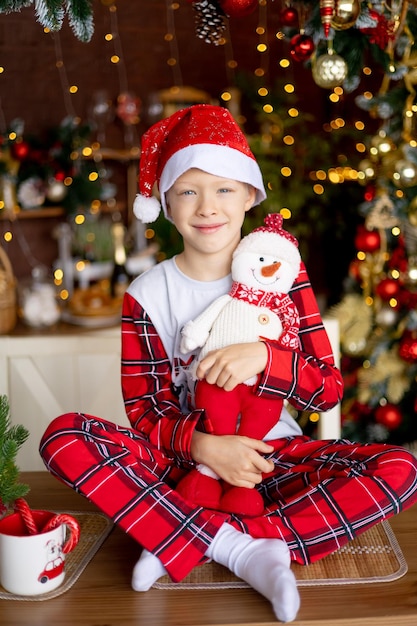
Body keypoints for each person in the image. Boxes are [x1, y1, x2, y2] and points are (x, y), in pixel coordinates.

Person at [40, 105, 417, 623]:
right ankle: (241, 548)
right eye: (188, 192)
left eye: (222, 189)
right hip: (180, 466)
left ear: (248, 195)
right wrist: (204, 446)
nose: (206, 207)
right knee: (64, 436)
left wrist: (266, 355)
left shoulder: (281, 273)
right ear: (167, 206)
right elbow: (146, 411)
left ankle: (191, 536)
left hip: (271, 459)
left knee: (401, 468)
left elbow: (327, 391)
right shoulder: (147, 295)